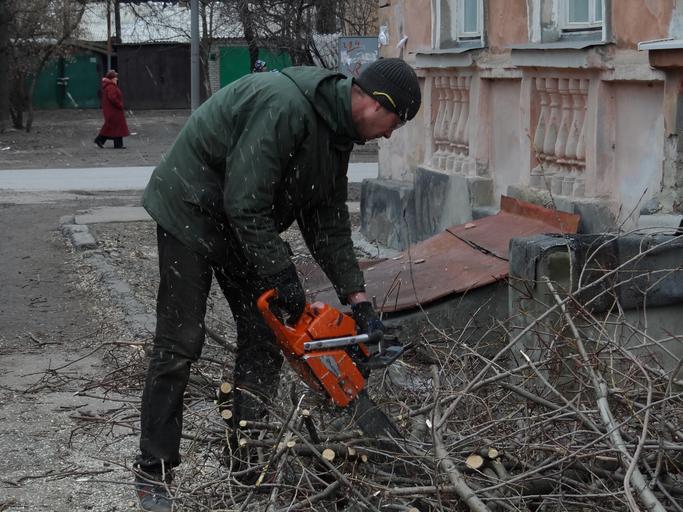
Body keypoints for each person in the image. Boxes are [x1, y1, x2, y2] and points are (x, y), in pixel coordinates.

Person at [133, 58, 421, 511]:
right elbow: (245, 201)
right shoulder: (285, 106)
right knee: (180, 340)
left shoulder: (337, 133)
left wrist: (358, 298)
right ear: (374, 101)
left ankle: (248, 459)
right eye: (395, 121)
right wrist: (282, 274)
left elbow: (327, 221)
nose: (390, 134)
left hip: (238, 223)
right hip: (189, 210)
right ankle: (154, 472)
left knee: (264, 337)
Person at [94, 70, 130, 149]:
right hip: (114, 111)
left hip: (112, 110)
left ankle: (112, 143)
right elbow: (113, 98)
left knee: (113, 127)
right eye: (115, 77)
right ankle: (102, 140)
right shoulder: (111, 87)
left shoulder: (109, 86)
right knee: (115, 127)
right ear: (112, 78)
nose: (116, 79)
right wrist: (120, 105)